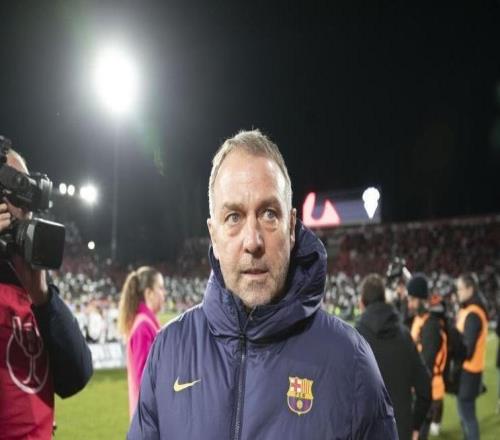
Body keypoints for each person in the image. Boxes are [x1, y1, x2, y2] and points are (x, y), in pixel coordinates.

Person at [128, 129, 397, 439]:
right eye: (234, 217)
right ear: (213, 235)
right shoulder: (168, 352)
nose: (253, 241)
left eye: (269, 214)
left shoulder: (351, 361)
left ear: (292, 228)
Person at [0, 146, 93, 438]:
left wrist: (44, 298)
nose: (26, 207)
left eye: (30, 193)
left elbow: (76, 377)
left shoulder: (33, 284)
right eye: (17, 189)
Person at [356, 273, 431, 440]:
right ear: (385, 299)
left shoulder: (355, 340)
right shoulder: (405, 335)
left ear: (361, 303)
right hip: (400, 431)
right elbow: (425, 389)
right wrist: (415, 426)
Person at [118, 266, 165, 418]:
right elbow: (145, 382)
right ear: (149, 293)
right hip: (149, 420)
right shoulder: (143, 326)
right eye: (160, 288)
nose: (164, 293)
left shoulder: (146, 323)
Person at [407, 273, 448, 439]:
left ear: (422, 300)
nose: (409, 304)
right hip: (420, 389)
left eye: (412, 299)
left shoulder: (431, 325)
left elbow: (426, 363)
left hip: (427, 391)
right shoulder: (419, 319)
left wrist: (412, 385)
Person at [455, 273, 488, 440]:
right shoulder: (469, 309)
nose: (458, 292)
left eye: (460, 289)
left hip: (469, 372)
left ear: (470, 289)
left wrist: (453, 348)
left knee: (467, 416)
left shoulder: (473, 314)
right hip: (470, 371)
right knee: (465, 414)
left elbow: (468, 350)